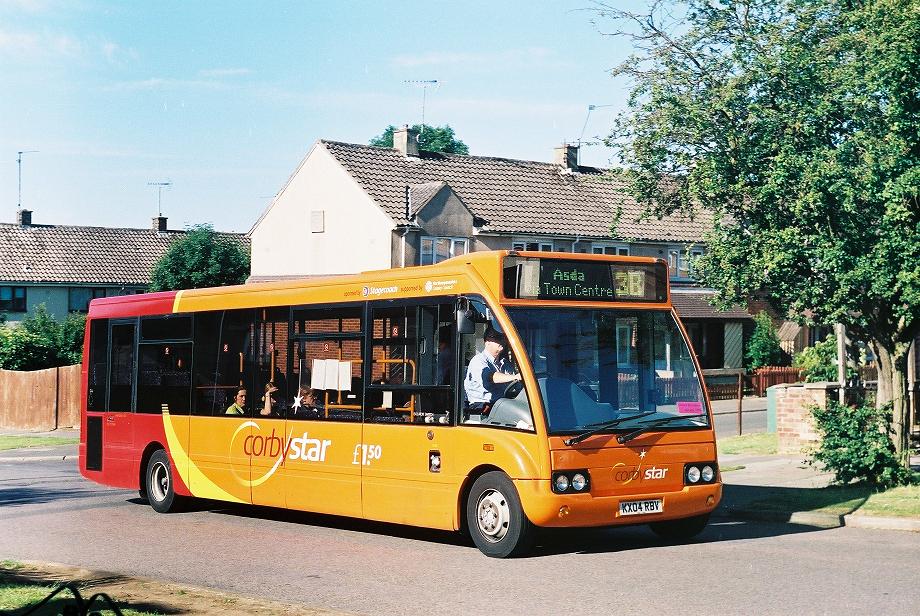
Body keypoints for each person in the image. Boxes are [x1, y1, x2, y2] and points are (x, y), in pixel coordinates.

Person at [464, 327, 521, 415]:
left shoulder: (505, 363)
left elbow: (517, 386)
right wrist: (515, 377)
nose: (502, 340)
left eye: (503, 337)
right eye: (498, 337)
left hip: (502, 405)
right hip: (482, 407)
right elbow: (490, 377)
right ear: (487, 342)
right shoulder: (478, 360)